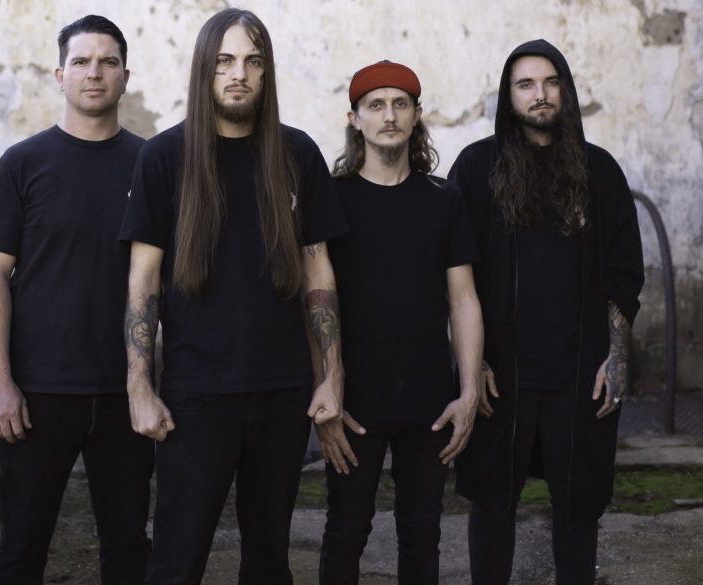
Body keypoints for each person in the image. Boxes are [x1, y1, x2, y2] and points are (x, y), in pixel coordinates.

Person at [119, 8, 348, 584]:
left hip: (282, 394)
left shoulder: (297, 155)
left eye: (252, 61)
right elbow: (144, 279)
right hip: (196, 396)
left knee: (269, 560)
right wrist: (139, 386)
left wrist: (331, 376)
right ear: (205, 70)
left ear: (266, 72)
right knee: (176, 561)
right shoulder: (164, 157)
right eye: (224, 61)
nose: (238, 74)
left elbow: (317, 270)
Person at [448, 39, 644, 585]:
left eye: (551, 82)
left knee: (578, 505)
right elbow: (453, 272)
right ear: (508, 96)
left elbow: (624, 270)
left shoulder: (599, 170)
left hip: (578, 372)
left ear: (566, 90)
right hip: (500, 373)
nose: (540, 94)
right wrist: (472, 362)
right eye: (526, 84)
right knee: (492, 504)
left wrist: (617, 356)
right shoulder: (477, 167)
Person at [0, 15, 152, 585]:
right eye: (82, 61)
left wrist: (155, 381)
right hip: (37, 391)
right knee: (21, 547)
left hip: (126, 390)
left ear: (125, 77)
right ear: (59, 74)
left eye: (108, 62)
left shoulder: (153, 164)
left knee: (128, 546)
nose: (94, 73)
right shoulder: (24, 163)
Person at [317, 61, 484, 585]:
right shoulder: (332, 198)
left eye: (400, 104)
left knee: (422, 534)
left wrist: (469, 392)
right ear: (354, 118)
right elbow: (315, 302)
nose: (388, 115)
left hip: (428, 403)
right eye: (375, 105)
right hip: (354, 405)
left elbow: (463, 299)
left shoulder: (444, 199)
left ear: (416, 114)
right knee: (346, 531)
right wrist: (324, 394)